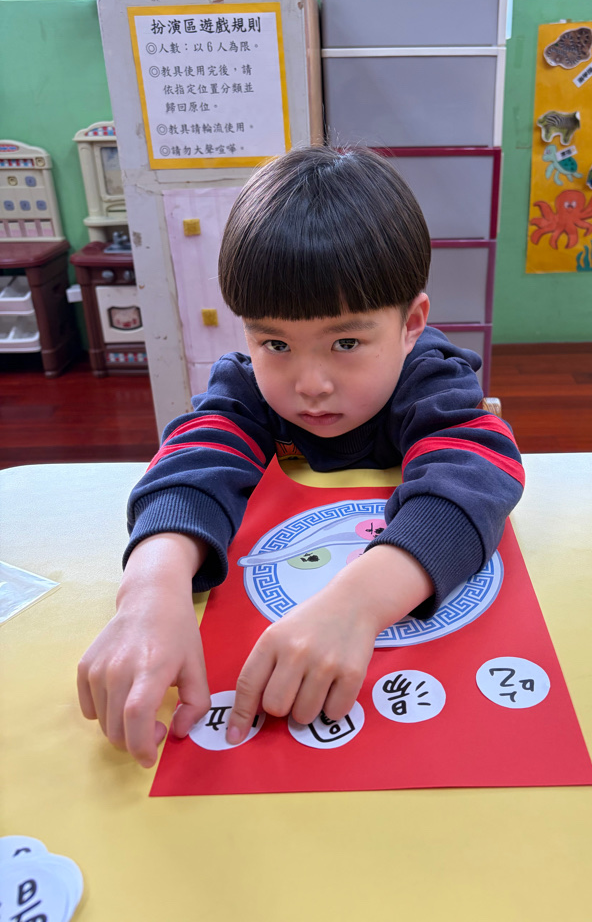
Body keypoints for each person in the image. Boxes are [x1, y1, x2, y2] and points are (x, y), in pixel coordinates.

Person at [77, 146, 525, 767]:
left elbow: (477, 471)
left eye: (346, 342)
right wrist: (151, 586)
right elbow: (195, 458)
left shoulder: (431, 380)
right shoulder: (245, 388)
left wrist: (358, 603)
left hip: (406, 656)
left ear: (411, 323)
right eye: (276, 343)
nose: (310, 384)